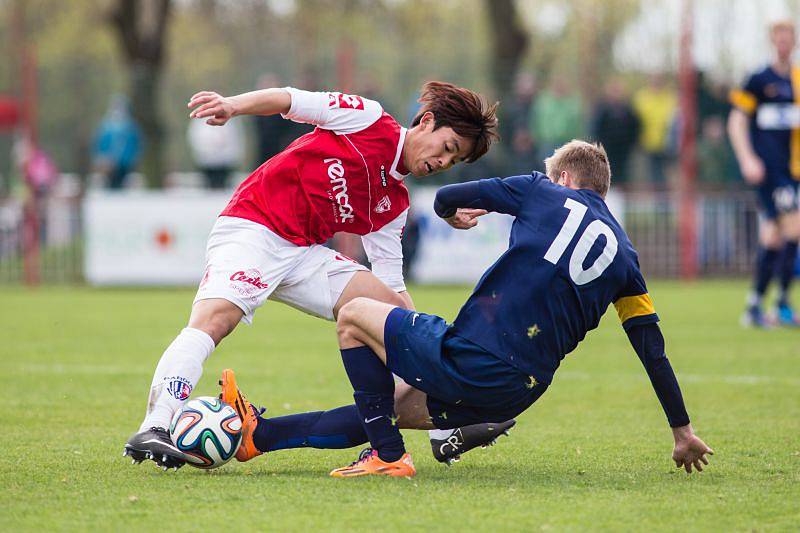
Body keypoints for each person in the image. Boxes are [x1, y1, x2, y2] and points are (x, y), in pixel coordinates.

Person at [220, 140, 713, 478]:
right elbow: (653, 351)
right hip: (519, 391)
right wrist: (682, 430)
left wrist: (454, 214)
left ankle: (389, 457)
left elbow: (450, 196)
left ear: (563, 177)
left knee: (354, 315)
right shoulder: (627, 261)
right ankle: (258, 437)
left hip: (473, 354)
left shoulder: (543, 191)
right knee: (387, 408)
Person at [123, 81, 505, 469]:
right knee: (215, 320)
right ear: (426, 122)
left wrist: (421, 339)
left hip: (304, 254)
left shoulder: (395, 203)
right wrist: (232, 106)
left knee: (391, 313)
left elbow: (393, 289)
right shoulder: (369, 120)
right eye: (448, 147)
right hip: (254, 227)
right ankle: (155, 426)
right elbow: (290, 100)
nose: (443, 162)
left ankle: (445, 426)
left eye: (453, 161)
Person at [728, 20, 800, 327]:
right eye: (779, 39)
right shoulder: (759, 79)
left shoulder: (797, 79)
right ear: (773, 41)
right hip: (771, 171)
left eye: (789, 39)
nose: (784, 44)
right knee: (795, 228)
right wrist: (747, 159)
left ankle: (754, 306)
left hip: (792, 170)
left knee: (772, 236)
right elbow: (736, 121)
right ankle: (782, 305)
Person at [591, 79, 640, 185]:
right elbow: (596, 128)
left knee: (623, 177)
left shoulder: (628, 110)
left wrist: (631, 143)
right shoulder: (602, 109)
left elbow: (635, 127)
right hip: (607, 150)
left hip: (623, 152)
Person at [632, 75, 676, 185]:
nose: (657, 84)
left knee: (665, 177)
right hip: (647, 144)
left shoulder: (670, 98)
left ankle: (665, 201)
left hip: (667, 145)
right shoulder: (641, 98)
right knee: (650, 176)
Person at [92, 95, 142, 190]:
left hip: (126, 165)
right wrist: (102, 158)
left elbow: (137, 145)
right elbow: (99, 145)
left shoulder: (131, 127)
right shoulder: (105, 127)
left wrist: (132, 158)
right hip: (109, 165)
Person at [187, 118, 244, 189]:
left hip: (225, 161)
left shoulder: (230, 120)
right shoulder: (200, 120)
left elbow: (235, 138)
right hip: (207, 161)